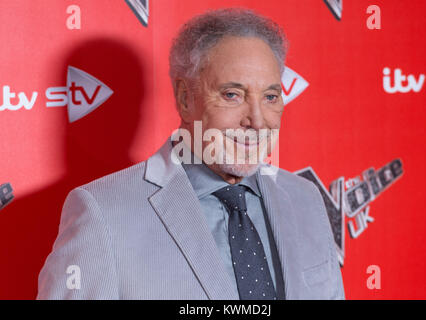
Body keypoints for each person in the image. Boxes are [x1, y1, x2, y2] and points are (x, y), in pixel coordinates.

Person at [37, 8, 345, 300]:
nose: (257, 120)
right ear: (185, 98)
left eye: (270, 96)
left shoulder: (305, 199)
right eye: (232, 95)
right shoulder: (104, 212)